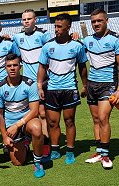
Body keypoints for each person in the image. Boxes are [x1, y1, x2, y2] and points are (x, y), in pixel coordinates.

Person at [37, 13, 88, 164]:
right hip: (52, 89)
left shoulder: (77, 46)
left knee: (69, 121)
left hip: (70, 89)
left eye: (60, 27)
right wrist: (39, 85)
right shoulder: (48, 46)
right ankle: (55, 150)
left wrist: (85, 85)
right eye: (55, 26)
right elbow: (42, 67)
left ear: (68, 27)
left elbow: (82, 67)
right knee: (52, 122)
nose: (56, 29)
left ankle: (70, 151)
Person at [83, 9, 119, 169]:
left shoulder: (117, 39)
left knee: (103, 118)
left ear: (106, 20)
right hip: (92, 84)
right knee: (95, 120)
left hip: (109, 84)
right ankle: (99, 151)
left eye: (99, 21)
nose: (96, 24)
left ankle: (106, 154)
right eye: (93, 21)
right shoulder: (88, 40)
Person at [0, 54, 45, 178]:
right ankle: (25, 144)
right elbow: (0, 115)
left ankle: (38, 162)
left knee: (37, 129)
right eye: (9, 66)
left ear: (20, 66)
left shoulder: (30, 84)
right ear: (5, 68)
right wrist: (5, 136)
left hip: (26, 122)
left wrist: (18, 125)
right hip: (11, 126)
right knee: (18, 162)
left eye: (15, 65)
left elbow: (34, 111)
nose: (12, 68)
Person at [12, 9, 52, 155]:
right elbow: (14, 55)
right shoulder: (17, 37)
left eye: (29, 19)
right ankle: (30, 138)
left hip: (43, 80)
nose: (26, 21)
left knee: (42, 113)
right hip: (27, 83)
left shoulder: (43, 34)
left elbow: (51, 53)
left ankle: (45, 142)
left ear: (35, 20)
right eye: (24, 19)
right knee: (29, 112)